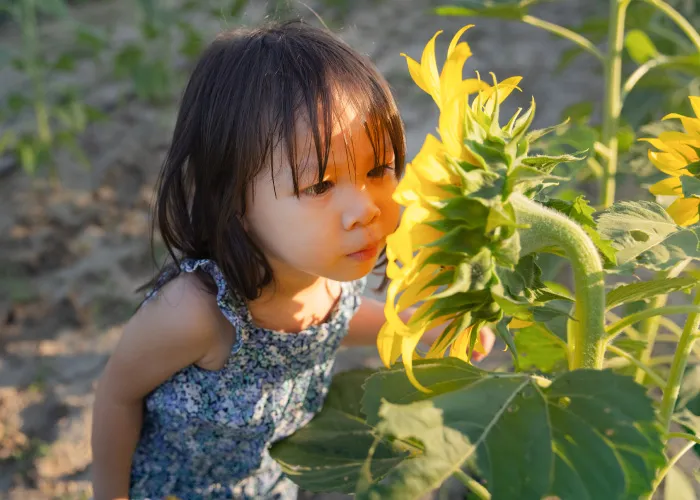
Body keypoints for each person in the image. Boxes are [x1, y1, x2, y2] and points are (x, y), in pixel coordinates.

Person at [90, 20, 494, 500]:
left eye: (378, 168)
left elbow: (332, 323)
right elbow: (117, 395)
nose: (364, 208)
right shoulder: (195, 315)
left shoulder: (327, 276)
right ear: (234, 199)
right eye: (320, 186)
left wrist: (416, 323)